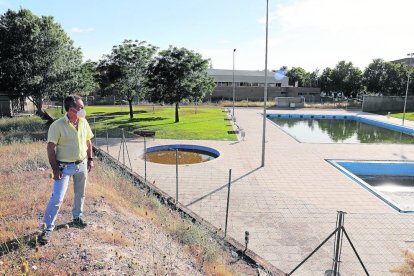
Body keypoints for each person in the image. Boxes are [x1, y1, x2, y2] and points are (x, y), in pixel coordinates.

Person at [38, 95, 94, 244]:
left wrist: (90, 159)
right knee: (57, 198)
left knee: (80, 193)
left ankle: (77, 216)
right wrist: (56, 170)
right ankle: (47, 228)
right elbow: (50, 149)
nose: (83, 110)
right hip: (64, 168)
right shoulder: (57, 125)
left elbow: (88, 142)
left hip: (81, 165)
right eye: (80, 107)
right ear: (71, 109)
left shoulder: (83, 122)